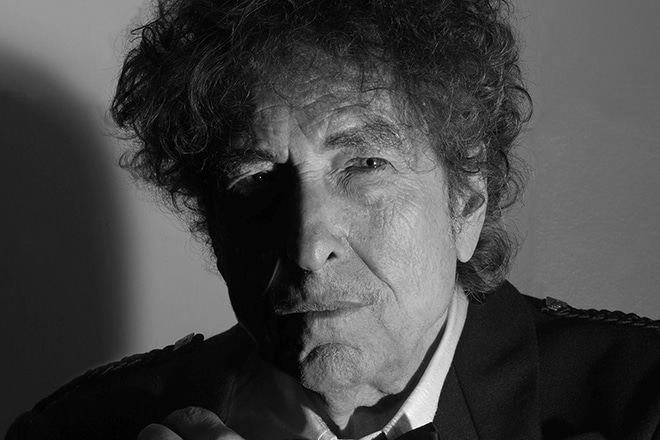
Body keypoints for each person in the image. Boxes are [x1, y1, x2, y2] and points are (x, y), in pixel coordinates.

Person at [7, 0, 660, 439]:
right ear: (213, 227)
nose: (308, 243)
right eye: (255, 179)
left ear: (466, 199)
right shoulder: (74, 430)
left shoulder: (644, 403)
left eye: (365, 164)